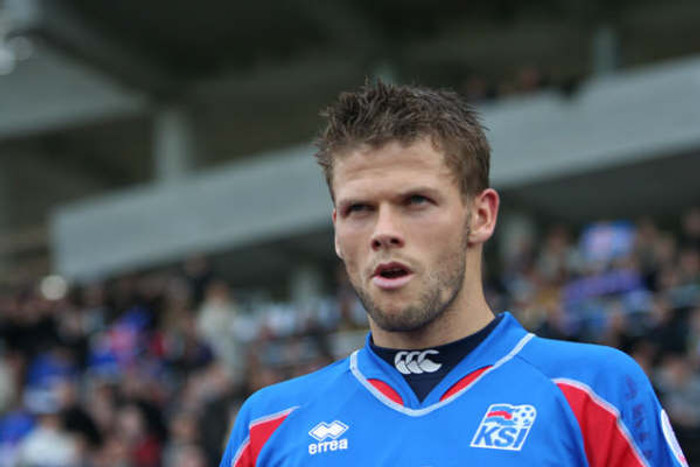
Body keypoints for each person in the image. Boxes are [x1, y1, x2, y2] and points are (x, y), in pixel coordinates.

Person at [220, 81, 687, 466]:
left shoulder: (595, 393)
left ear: (480, 216)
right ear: (337, 232)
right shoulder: (268, 427)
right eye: (359, 209)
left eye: (416, 201)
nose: (383, 232)